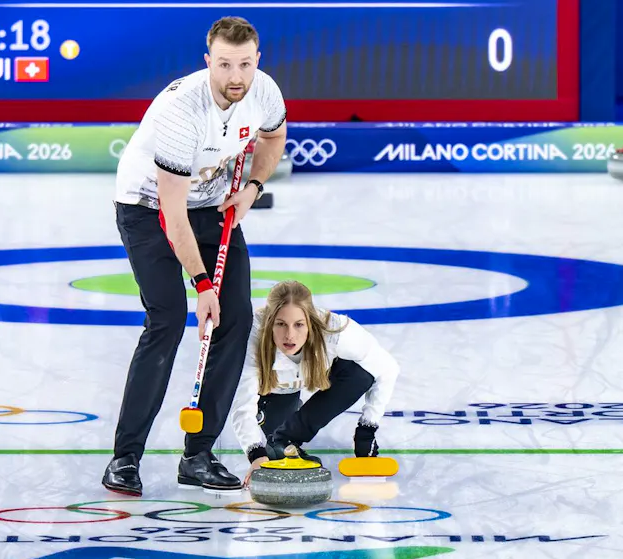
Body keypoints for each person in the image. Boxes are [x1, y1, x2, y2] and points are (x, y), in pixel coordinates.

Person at [102, 16, 288, 497]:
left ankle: (198, 454)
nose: (235, 76)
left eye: (244, 64)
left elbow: (272, 138)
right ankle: (124, 459)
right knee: (168, 318)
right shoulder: (182, 110)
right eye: (225, 64)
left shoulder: (264, 91)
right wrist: (202, 284)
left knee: (237, 318)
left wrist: (252, 188)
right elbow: (172, 214)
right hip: (149, 208)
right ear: (208, 62)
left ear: (257, 60)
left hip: (213, 205)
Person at [227, 280, 400, 484]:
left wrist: (367, 428)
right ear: (269, 323)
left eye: (299, 324)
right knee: (274, 453)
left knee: (360, 373)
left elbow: (387, 367)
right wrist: (256, 454)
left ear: (310, 321)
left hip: (302, 380)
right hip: (271, 392)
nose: (289, 335)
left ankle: (291, 434)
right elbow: (242, 405)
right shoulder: (252, 338)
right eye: (281, 324)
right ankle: (283, 422)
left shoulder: (334, 332)